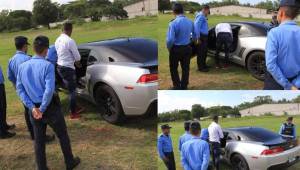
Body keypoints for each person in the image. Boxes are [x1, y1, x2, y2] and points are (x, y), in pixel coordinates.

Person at [16, 36, 80, 170]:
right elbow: (49, 90)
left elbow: (20, 90)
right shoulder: (48, 65)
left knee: (39, 141)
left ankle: (42, 167)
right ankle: (69, 162)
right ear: (46, 50)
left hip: (33, 109)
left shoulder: (22, 67)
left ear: (34, 48)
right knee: (62, 135)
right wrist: (42, 108)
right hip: (49, 107)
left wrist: (33, 108)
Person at [8, 36, 55, 142]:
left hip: (22, 93)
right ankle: (39, 135)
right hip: (33, 93)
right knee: (37, 115)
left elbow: (11, 77)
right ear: (25, 46)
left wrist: (18, 90)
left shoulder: (11, 60)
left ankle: (33, 134)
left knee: (28, 112)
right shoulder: (28, 59)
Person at [264, 0, 300, 90]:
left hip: (276, 83)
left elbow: (271, 64)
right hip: (296, 83)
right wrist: (296, 83)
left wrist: (288, 86)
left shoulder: (274, 33)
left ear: (281, 13)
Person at [55, 22, 84, 119]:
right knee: (72, 91)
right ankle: (73, 113)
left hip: (59, 66)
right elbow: (78, 57)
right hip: (68, 68)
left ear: (62, 30)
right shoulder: (70, 41)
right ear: (70, 30)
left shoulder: (57, 40)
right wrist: (78, 63)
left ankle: (75, 106)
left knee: (69, 88)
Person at [166, 3, 194, 90]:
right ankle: (184, 86)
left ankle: (177, 85)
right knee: (185, 68)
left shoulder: (173, 23)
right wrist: (189, 41)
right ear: (183, 11)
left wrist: (169, 48)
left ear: (174, 12)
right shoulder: (190, 22)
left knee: (173, 68)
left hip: (176, 49)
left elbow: (170, 40)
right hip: (187, 47)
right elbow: (194, 35)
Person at [0, 65, 16, 139]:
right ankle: (2, 132)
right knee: (1, 108)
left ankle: (4, 125)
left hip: (0, 83)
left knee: (3, 106)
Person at [194, 5, 210, 72]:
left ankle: (203, 65)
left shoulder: (202, 16)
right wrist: (198, 37)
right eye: (208, 11)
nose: (208, 13)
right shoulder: (200, 16)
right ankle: (201, 67)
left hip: (204, 36)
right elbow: (196, 27)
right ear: (205, 10)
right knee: (201, 52)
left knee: (204, 52)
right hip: (201, 36)